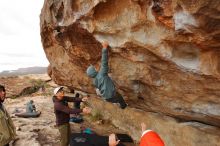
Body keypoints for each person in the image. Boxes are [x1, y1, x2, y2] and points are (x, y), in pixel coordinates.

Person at [86, 41, 127, 109]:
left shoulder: (95, 81)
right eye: (94, 69)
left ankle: (117, 104)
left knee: (117, 98)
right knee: (120, 98)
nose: (96, 68)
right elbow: (104, 61)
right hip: (112, 95)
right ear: (94, 71)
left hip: (106, 97)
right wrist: (104, 48)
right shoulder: (101, 73)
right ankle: (123, 107)